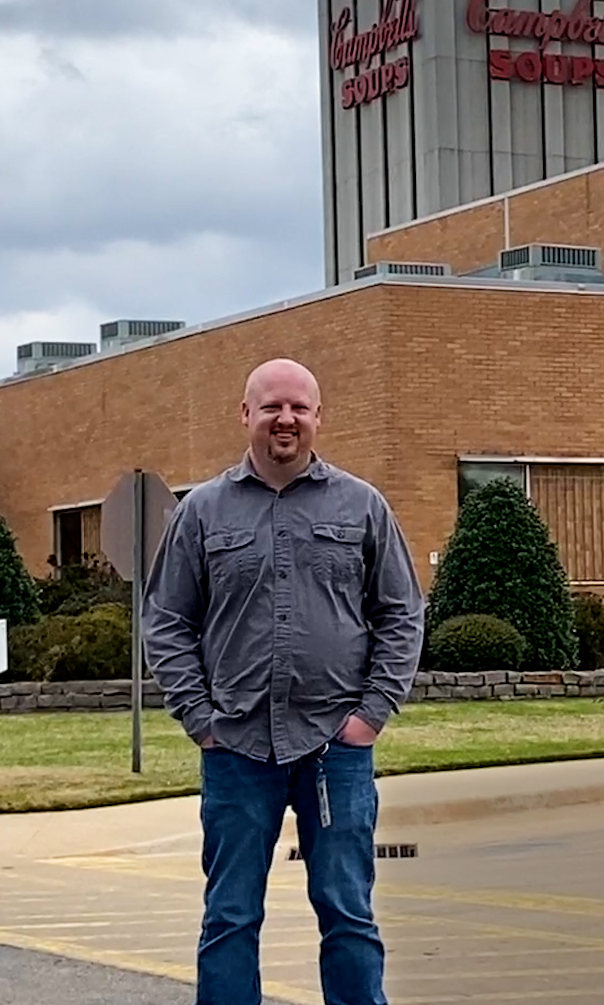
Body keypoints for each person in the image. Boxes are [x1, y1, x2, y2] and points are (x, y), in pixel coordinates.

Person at [144, 357, 425, 1005]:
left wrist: (371, 715)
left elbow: (401, 614)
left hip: (337, 749)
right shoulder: (203, 512)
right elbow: (165, 621)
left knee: (348, 914)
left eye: (299, 407)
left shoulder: (362, 507)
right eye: (271, 406)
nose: (286, 419)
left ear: (318, 417)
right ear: (246, 415)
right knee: (230, 918)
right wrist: (201, 720)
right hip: (237, 748)